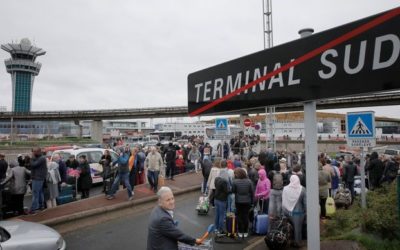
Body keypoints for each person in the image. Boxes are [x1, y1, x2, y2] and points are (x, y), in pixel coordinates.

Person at [282, 175, 306, 248]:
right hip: (298, 213)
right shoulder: (302, 189)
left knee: (287, 228)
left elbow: (283, 201)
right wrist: (305, 212)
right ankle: (297, 243)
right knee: (297, 229)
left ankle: (288, 241)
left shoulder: (285, 189)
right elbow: (305, 203)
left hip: (286, 211)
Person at [232, 168, 254, 238]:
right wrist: (252, 202)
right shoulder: (249, 181)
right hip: (247, 201)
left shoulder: (235, 181)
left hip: (238, 201)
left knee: (239, 216)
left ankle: (240, 231)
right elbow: (252, 192)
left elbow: (233, 191)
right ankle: (245, 231)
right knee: (246, 216)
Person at [30, 147, 47, 214]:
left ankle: (33, 209)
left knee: (35, 193)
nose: (33, 153)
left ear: (38, 152)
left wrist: (31, 158)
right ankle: (41, 206)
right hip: (38, 178)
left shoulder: (42, 158)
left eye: (34, 152)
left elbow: (33, 165)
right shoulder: (40, 158)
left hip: (38, 178)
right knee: (39, 192)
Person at [214, 164, 230, 235]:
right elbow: (227, 191)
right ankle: (221, 230)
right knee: (221, 215)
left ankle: (216, 228)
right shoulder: (224, 182)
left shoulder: (217, 179)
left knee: (217, 215)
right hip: (222, 200)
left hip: (216, 199)